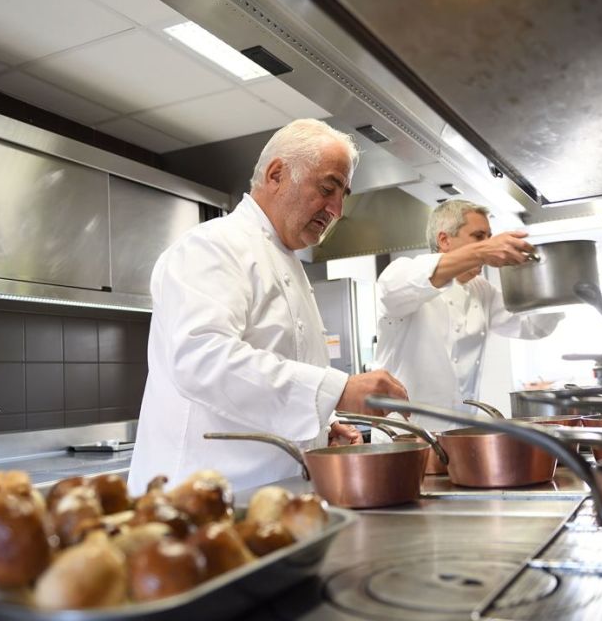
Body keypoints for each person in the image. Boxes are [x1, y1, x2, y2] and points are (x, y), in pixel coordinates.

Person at [128, 119, 408, 492]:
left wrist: (320, 428)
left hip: (270, 497)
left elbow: (274, 378)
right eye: (328, 188)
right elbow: (202, 359)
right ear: (277, 174)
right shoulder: (212, 246)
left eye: (344, 194)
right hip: (199, 502)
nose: (337, 209)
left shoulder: (289, 262)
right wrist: (336, 391)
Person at [373, 199, 564, 433]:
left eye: (489, 236)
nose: (488, 244)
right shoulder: (403, 274)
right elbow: (392, 289)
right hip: (404, 438)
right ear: (444, 240)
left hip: (459, 437)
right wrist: (483, 252)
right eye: (478, 236)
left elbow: (532, 326)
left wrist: (559, 283)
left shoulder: (481, 290)